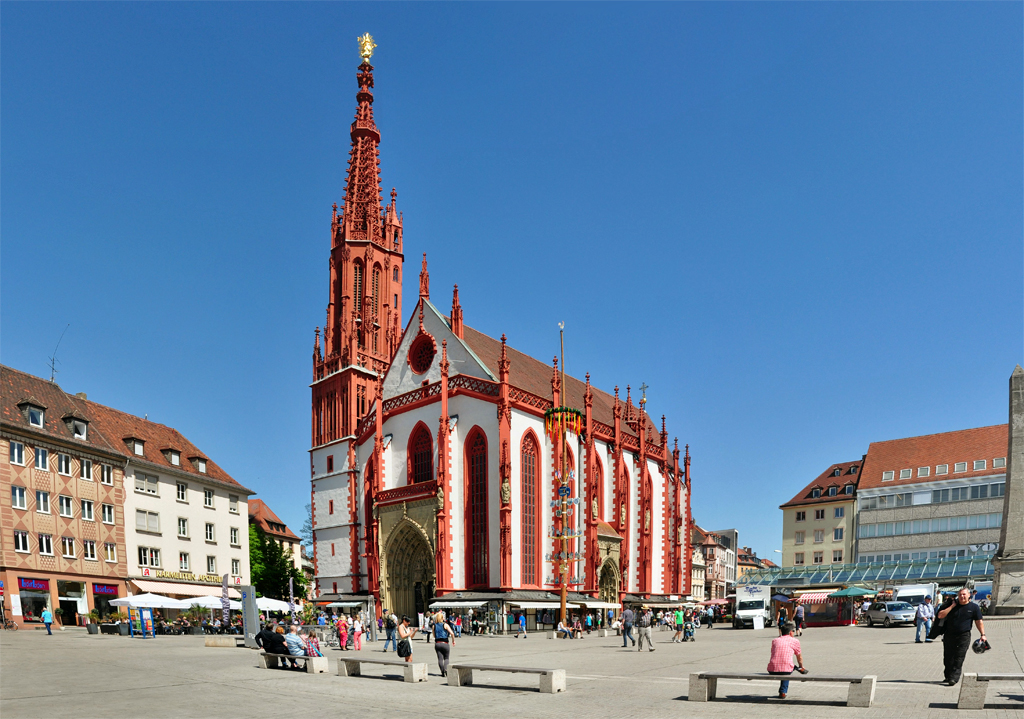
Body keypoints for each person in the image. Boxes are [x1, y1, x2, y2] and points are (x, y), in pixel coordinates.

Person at [936, 588, 986, 686]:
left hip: (964, 636)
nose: (962, 596)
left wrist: (983, 635)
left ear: (968, 595)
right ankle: (948, 676)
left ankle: (954, 678)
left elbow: (979, 621)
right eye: (960, 595)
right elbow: (940, 616)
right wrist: (952, 607)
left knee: (959, 657)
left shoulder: (974, 607)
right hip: (949, 635)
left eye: (964, 594)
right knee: (948, 657)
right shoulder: (951, 605)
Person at [768, 622, 807, 699]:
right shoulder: (795, 641)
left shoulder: (775, 640)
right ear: (790, 632)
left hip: (772, 669)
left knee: (785, 666)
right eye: (793, 631)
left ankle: (797, 669)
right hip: (786, 669)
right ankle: (783, 692)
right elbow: (799, 657)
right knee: (786, 670)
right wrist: (801, 666)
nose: (793, 632)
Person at [432, 611, 456, 677]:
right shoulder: (445, 625)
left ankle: (442, 672)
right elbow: (452, 633)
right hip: (445, 643)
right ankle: (446, 669)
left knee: (440, 659)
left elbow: (434, 635)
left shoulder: (434, 626)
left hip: (437, 643)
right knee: (446, 658)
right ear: (442, 618)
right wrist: (453, 641)